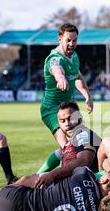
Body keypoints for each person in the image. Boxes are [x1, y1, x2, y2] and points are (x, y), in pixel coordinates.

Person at [40, 23, 94, 170]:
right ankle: (58, 183)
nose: (72, 44)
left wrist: (87, 96)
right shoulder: (55, 58)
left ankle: (39, 175)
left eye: (74, 40)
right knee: (68, 148)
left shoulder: (74, 56)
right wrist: (60, 78)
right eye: (68, 40)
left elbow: (78, 76)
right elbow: (56, 69)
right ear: (59, 39)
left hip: (68, 111)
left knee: (77, 144)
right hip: (52, 110)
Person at [16, 102, 101, 188]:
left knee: (24, 182)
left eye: (70, 118)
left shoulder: (83, 134)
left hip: (84, 186)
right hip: (71, 184)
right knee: (25, 182)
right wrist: (39, 174)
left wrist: (52, 174)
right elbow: (58, 154)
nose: (67, 123)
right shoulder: (71, 139)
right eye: (62, 121)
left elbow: (84, 161)